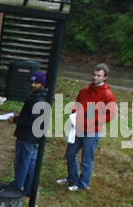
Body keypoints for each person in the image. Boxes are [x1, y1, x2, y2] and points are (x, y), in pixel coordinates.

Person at [60, 63, 117, 191]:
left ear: (105, 77)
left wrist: (94, 121)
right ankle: (72, 178)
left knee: (87, 159)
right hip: (78, 128)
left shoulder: (108, 95)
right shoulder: (84, 91)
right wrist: (74, 112)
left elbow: (111, 115)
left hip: (92, 131)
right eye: (94, 74)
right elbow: (78, 104)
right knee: (70, 154)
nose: (95, 78)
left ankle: (83, 184)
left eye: (99, 76)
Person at [10, 70, 49, 197]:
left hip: (28, 136)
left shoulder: (37, 99)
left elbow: (32, 120)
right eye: (32, 82)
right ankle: (28, 188)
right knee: (31, 162)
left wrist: (16, 120)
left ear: (41, 84)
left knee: (22, 162)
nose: (32, 85)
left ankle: (17, 186)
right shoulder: (42, 97)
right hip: (35, 137)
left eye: (36, 83)